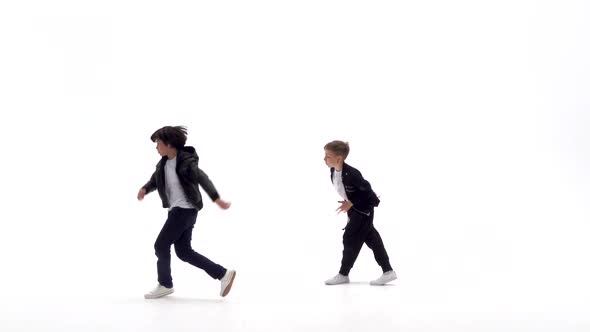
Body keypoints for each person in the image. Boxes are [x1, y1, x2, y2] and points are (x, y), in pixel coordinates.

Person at [137, 126, 236, 299]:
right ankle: (223, 274)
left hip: (184, 211)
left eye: (158, 143)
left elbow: (202, 177)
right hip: (178, 212)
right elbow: (155, 181)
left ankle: (165, 284)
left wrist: (216, 199)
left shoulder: (186, 161)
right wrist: (145, 189)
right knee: (184, 252)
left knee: (160, 245)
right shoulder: (163, 164)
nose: (156, 147)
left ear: (169, 144)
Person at [323, 140, 397, 286]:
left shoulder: (352, 174)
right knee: (372, 239)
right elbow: (347, 191)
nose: (324, 159)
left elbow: (368, 192)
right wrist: (349, 202)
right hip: (354, 210)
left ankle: (343, 274)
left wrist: (351, 202)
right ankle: (388, 271)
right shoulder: (333, 171)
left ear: (339, 158)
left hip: (363, 211)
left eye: (327, 156)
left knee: (350, 238)